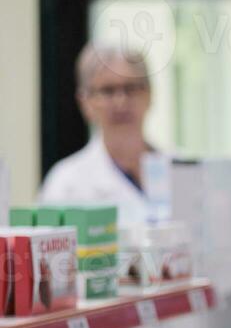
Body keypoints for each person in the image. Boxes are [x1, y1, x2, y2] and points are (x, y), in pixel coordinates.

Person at [39, 43, 161, 223]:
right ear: (85, 102)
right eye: (108, 91)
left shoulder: (182, 170)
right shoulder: (64, 185)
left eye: (131, 88)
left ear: (149, 94)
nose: (121, 102)